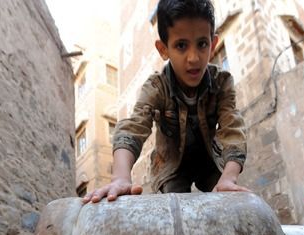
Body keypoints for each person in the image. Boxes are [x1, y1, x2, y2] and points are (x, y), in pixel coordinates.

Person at [83, 0, 249, 204]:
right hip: (171, 165)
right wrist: (120, 177)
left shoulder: (222, 82)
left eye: (202, 44)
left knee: (226, 199)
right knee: (175, 209)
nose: (194, 57)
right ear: (163, 49)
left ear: (213, 44)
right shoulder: (155, 87)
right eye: (181, 45)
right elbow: (133, 128)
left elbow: (233, 129)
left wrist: (229, 177)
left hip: (209, 160)